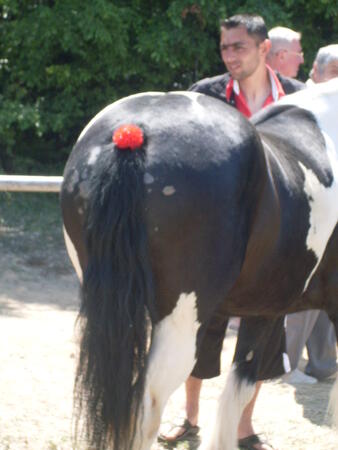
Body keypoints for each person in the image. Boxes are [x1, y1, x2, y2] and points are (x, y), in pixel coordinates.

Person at [158, 14, 304, 450]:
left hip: (277, 242)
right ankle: (190, 418)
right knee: (199, 331)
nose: (229, 55)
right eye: (224, 47)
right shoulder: (204, 95)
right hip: (215, 239)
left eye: (238, 47)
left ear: (264, 50)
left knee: (262, 333)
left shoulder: (299, 99)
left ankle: (243, 427)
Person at [280, 44, 338, 385]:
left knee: (328, 291)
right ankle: (286, 366)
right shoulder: (301, 104)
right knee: (303, 290)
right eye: (334, 72)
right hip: (309, 211)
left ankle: (322, 363)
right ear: (315, 73)